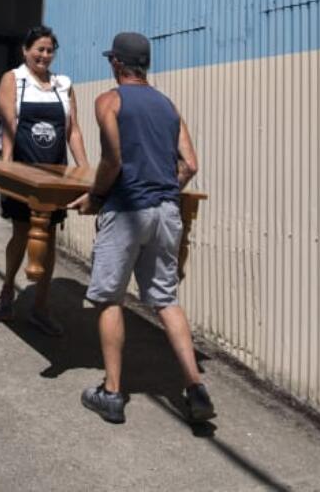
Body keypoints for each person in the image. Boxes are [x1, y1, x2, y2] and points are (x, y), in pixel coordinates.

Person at [69, 31, 215, 424]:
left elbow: (113, 160)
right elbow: (190, 164)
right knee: (165, 298)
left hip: (127, 210)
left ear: (117, 63)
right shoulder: (169, 107)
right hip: (167, 211)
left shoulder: (109, 101)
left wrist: (97, 197)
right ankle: (195, 387)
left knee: (109, 297)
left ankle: (112, 393)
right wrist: (164, 189)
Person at [0, 25, 90, 336]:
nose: (45, 56)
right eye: (40, 50)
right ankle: (7, 291)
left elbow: (73, 130)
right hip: (23, 171)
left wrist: (85, 171)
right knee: (22, 233)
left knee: (48, 238)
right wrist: (4, 171)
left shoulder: (63, 84)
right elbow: (9, 126)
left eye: (49, 51)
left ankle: (41, 307)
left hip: (54, 174)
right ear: (26, 50)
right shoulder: (14, 80)